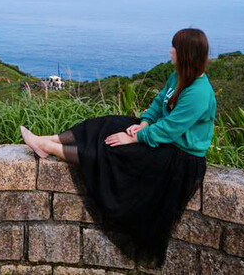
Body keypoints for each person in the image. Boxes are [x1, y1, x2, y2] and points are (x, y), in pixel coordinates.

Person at [20, 28, 216, 268]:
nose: (170, 51)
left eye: (174, 47)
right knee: (106, 125)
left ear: (184, 54)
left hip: (180, 156)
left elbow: (170, 129)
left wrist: (135, 138)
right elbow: (157, 105)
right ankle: (47, 139)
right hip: (158, 135)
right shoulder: (178, 76)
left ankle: (49, 148)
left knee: (115, 150)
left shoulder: (199, 92)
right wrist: (142, 123)